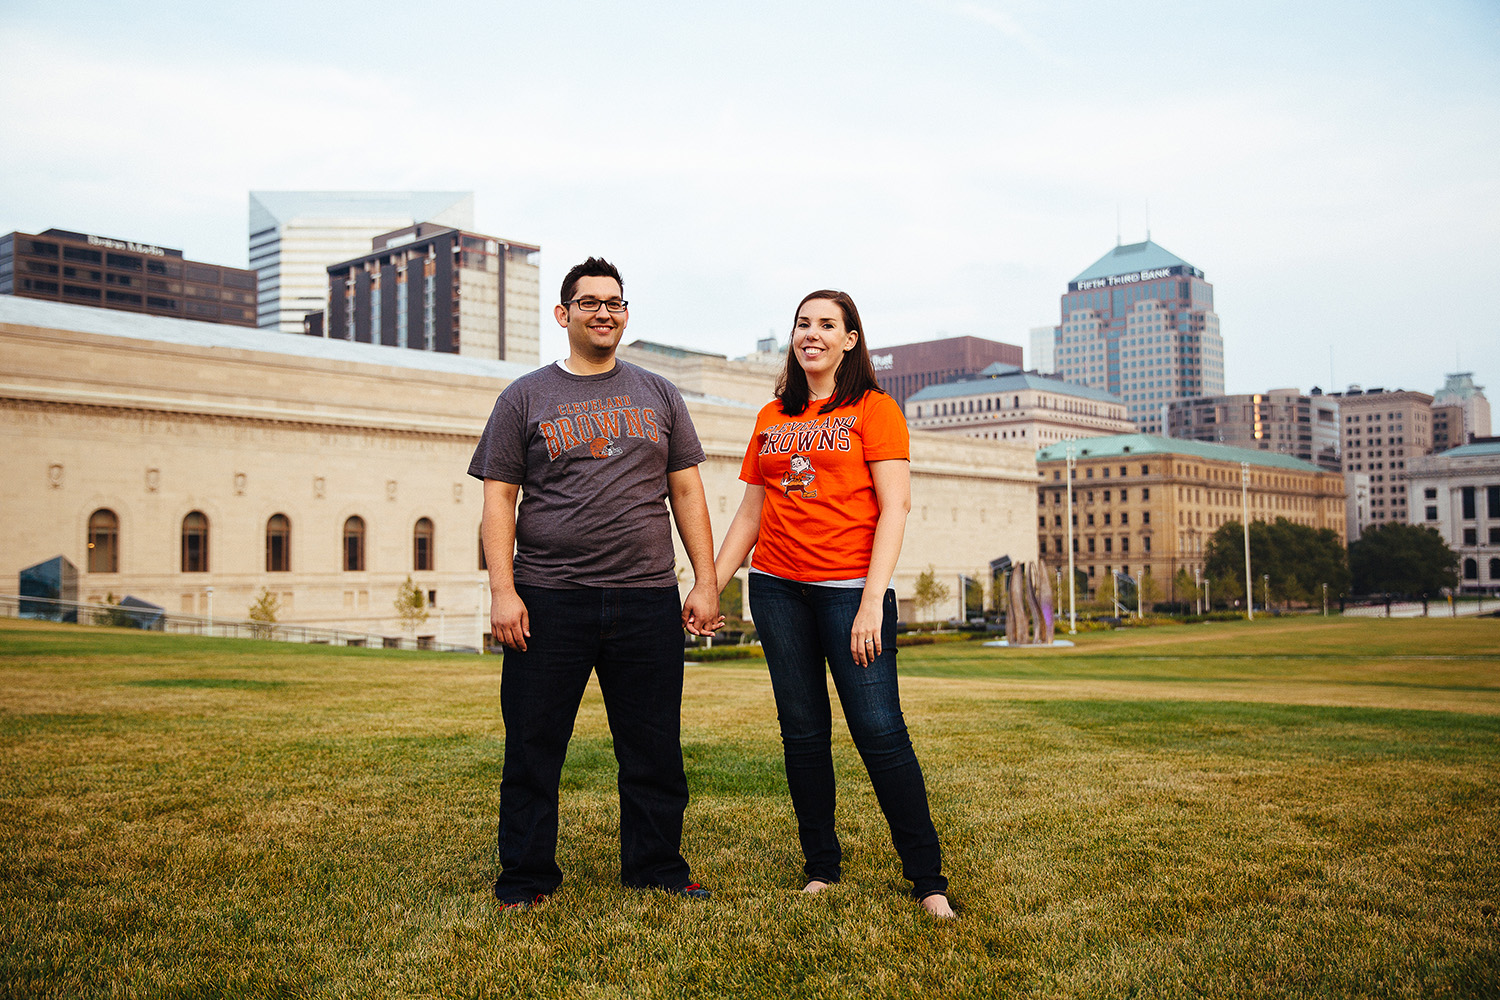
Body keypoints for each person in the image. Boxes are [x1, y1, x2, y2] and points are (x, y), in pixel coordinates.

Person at [469, 257, 722, 911]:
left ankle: (656, 867)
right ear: (563, 314)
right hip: (550, 597)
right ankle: (525, 877)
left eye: (615, 302)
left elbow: (687, 489)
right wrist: (504, 590)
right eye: (589, 302)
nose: (604, 311)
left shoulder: (661, 393)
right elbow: (499, 499)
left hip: (645, 597)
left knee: (654, 748)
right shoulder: (524, 397)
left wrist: (706, 580)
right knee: (532, 746)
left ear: (625, 314)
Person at [713, 289, 955, 919]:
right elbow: (751, 512)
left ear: (851, 339)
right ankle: (820, 866)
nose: (811, 333)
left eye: (827, 324)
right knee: (803, 734)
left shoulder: (874, 410)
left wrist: (873, 600)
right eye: (802, 323)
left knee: (880, 731)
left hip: (851, 592)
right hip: (777, 589)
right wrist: (710, 582)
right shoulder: (772, 416)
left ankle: (927, 880)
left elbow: (894, 508)